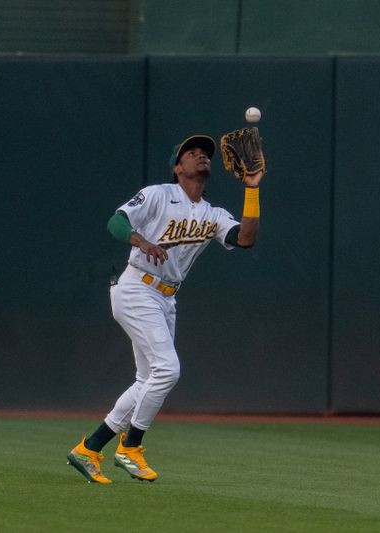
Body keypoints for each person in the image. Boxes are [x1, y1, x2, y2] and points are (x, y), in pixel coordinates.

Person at [67, 134, 263, 484]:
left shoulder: (212, 214)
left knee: (147, 380)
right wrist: (141, 240)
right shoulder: (159, 194)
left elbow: (246, 238)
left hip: (166, 298)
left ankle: (89, 448)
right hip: (136, 287)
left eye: (205, 154)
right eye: (192, 153)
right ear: (177, 167)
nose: (201, 156)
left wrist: (252, 188)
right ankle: (130, 447)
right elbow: (116, 222)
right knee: (168, 369)